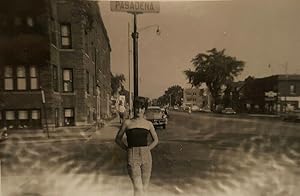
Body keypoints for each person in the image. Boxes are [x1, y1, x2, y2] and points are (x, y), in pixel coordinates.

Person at [115, 98, 159, 196]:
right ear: (134, 109)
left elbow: (156, 140)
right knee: (138, 188)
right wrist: (127, 149)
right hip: (132, 156)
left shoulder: (148, 124)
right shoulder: (127, 123)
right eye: (137, 108)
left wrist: (148, 149)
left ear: (144, 109)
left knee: (144, 188)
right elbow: (118, 139)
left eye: (142, 108)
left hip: (147, 157)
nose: (139, 110)